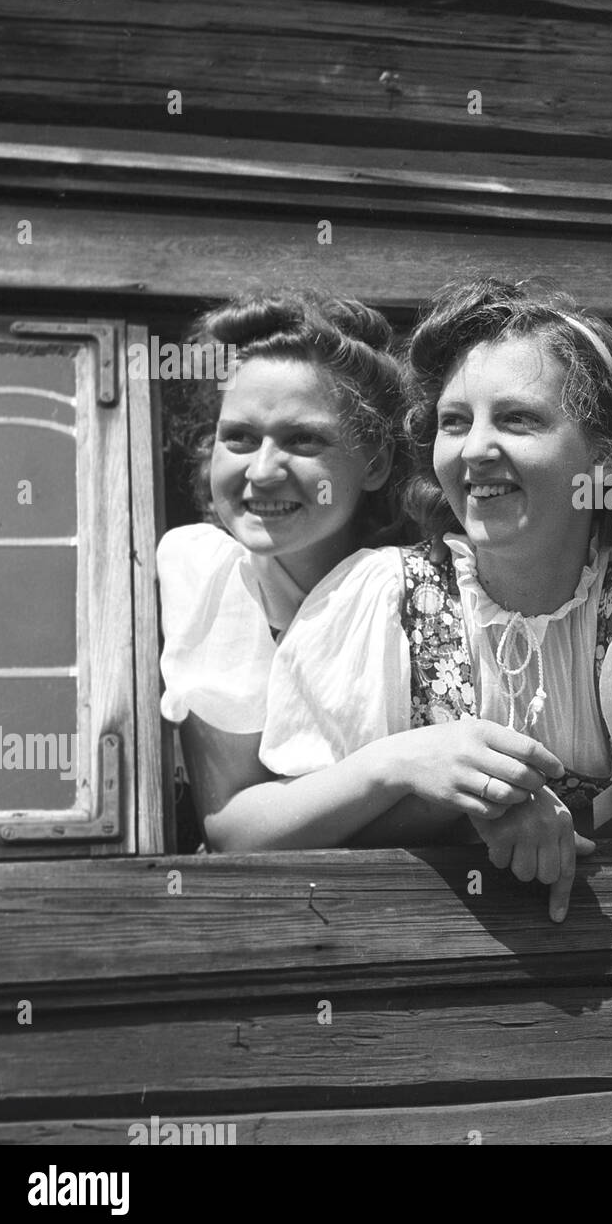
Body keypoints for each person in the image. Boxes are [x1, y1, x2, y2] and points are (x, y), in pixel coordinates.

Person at [257, 277, 612, 919]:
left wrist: (564, 830)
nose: (475, 450)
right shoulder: (378, 600)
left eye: (518, 419)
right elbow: (250, 836)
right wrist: (405, 767)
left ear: (602, 457)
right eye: (454, 422)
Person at [156, 287, 413, 849]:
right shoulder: (215, 578)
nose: (264, 471)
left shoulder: (414, 585)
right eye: (240, 438)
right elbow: (234, 828)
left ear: (374, 462)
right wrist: (399, 765)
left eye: (302, 439)